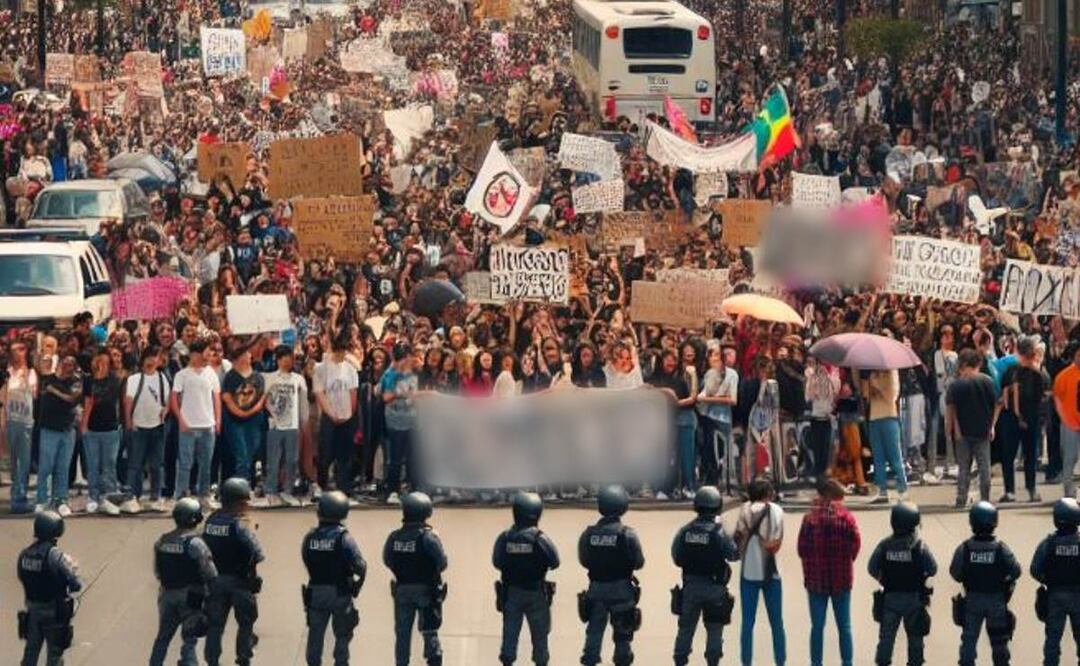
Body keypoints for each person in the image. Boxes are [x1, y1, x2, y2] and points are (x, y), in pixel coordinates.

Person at [670, 485, 739, 666]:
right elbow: (733, 555)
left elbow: (676, 558)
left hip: (691, 588)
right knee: (715, 631)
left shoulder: (684, 531)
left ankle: (680, 660)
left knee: (685, 630)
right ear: (718, 506)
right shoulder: (720, 532)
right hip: (715, 588)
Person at [578, 484, 645, 666]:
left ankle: (590, 660)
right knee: (623, 636)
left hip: (596, 590)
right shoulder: (627, 534)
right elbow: (639, 563)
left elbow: (584, 560)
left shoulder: (588, 534)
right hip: (622, 591)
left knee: (593, 633)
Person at [797, 478, 860, 666]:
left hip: (816, 581)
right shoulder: (847, 517)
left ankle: (816, 663)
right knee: (845, 627)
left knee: (817, 627)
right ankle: (847, 662)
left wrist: (811, 565)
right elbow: (855, 545)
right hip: (842, 579)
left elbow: (801, 549)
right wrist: (845, 561)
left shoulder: (809, 518)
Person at [492, 491, 560, 666]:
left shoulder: (504, 537)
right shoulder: (540, 538)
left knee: (510, 634)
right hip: (535, 593)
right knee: (540, 637)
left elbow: (497, 562)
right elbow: (555, 562)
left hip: (512, 593)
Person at [202, 477, 265, 666]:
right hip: (239, 582)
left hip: (214, 581)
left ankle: (212, 660)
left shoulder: (210, 521)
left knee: (215, 625)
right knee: (245, 622)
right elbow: (257, 553)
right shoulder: (239, 526)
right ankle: (243, 656)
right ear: (238, 502)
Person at [949, 501, 1021, 666]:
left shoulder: (965, 549)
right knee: (999, 642)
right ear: (994, 522)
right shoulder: (1001, 548)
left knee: (969, 640)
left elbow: (955, 573)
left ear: (972, 522)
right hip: (996, 601)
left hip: (972, 600)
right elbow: (1016, 571)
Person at [149, 497, 218, 666]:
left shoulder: (162, 541)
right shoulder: (195, 544)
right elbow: (210, 573)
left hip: (166, 595)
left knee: (163, 638)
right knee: (190, 638)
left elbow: (158, 571)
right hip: (191, 596)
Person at [302, 490, 367, 666]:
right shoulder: (344, 538)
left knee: (315, 634)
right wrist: (356, 586)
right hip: (340, 592)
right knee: (343, 634)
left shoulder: (310, 537)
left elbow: (306, 559)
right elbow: (360, 566)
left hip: (315, 592)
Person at [867, 502, 937, 666]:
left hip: (890, 598)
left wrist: (882, 578)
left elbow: (872, 568)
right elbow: (933, 568)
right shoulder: (920, 546)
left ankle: (883, 662)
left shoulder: (884, 545)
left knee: (886, 637)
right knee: (915, 637)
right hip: (913, 599)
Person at [383, 491, 448, 666]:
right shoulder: (429, 537)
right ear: (426, 511)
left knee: (402, 634)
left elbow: (387, 560)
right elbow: (442, 563)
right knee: (429, 630)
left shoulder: (394, 537)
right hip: (426, 591)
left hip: (402, 590)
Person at [17, 511, 82, 666]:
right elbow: (74, 582)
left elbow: (22, 576)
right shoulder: (54, 555)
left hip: (33, 610)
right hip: (54, 612)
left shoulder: (25, 554)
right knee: (54, 655)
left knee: (30, 652)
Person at [734, 476, 786, 666]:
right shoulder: (777, 511)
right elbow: (778, 539)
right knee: (777, 623)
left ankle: (746, 662)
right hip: (772, 573)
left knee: (748, 623)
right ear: (768, 494)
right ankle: (780, 661)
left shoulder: (744, 510)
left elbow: (738, 537)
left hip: (749, 571)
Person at [170, 339, 222, 508]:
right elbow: (174, 399)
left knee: (206, 464)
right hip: (188, 426)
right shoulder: (182, 375)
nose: (209, 356)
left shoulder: (211, 373)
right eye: (206, 352)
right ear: (195, 354)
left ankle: (204, 495)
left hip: (208, 425)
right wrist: (181, 420)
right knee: (185, 463)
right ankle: (181, 496)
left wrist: (217, 420)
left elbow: (216, 397)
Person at [945, 348, 1000, 507]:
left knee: (964, 467)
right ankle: (985, 499)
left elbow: (951, 409)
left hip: (962, 432)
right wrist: (992, 426)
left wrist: (951, 429)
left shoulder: (955, 385)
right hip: (983, 431)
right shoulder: (987, 381)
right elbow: (997, 404)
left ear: (963, 365)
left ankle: (961, 498)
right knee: (984, 467)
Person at [1030, 498, 1080, 666]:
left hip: (1055, 595)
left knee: (1052, 639)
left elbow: (1035, 569)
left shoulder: (1049, 543)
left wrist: (1048, 580)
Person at [125, 346, 171, 513]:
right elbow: (128, 401)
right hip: (139, 425)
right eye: (150, 357)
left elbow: (168, 399)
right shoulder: (134, 379)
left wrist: (165, 411)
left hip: (157, 425)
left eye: (156, 357)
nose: (152, 361)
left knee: (157, 464)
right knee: (135, 464)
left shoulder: (162, 378)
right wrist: (129, 420)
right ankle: (133, 496)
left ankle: (156, 495)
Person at [1000, 335, 1046, 503]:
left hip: (1011, 418)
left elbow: (1003, 396)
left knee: (1010, 455)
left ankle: (1011, 491)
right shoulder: (1037, 374)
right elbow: (1042, 399)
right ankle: (1031, 489)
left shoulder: (1011, 371)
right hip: (1030, 418)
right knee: (1029, 455)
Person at [313, 334, 359, 498]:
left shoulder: (350, 369)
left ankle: (343, 486)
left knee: (344, 454)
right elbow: (319, 393)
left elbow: (353, 393)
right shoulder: (321, 368)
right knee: (325, 453)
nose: (340, 354)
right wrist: (331, 414)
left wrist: (349, 414)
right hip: (329, 416)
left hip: (346, 416)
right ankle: (321, 484)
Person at [36, 355, 82, 516]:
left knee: (63, 467)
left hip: (67, 429)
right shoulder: (47, 379)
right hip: (48, 428)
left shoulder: (76, 382)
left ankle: (61, 500)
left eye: (71, 364)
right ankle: (42, 500)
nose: (68, 367)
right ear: (60, 364)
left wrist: (54, 391)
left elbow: (71, 399)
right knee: (46, 467)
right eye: (65, 363)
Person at [80, 348, 124, 516]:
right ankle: (93, 496)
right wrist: (83, 425)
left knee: (109, 465)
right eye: (99, 362)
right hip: (92, 428)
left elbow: (112, 400)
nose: (102, 365)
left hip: (110, 428)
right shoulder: (88, 380)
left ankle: (109, 497)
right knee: (93, 465)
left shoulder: (115, 380)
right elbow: (88, 402)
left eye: (105, 362)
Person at [264, 345, 308, 507]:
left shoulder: (298, 379)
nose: (288, 361)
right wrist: (272, 413)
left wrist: (304, 422)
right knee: (274, 459)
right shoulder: (269, 378)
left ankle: (287, 490)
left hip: (293, 424)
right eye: (284, 358)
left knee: (291, 459)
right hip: (275, 424)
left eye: (290, 358)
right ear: (278, 359)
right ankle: (271, 491)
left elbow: (303, 402)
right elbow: (264, 399)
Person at [2, 337, 38, 514]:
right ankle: (16, 493)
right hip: (9, 420)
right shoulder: (6, 372)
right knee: (12, 461)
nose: (20, 352)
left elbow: (34, 392)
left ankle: (20, 495)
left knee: (23, 460)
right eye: (17, 349)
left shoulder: (31, 372)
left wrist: (24, 379)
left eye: (23, 349)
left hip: (25, 422)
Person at [862, 368, 908, 503]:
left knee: (894, 456)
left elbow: (892, 396)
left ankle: (902, 488)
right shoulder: (872, 374)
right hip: (874, 418)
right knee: (878, 458)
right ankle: (881, 490)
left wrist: (877, 385)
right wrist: (867, 383)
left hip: (889, 417)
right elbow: (866, 396)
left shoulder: (892, 372)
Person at [221, 346, 266, 483]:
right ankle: (242, 486)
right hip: (235, 421)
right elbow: (227, 398)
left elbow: (262, 396)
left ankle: (249, 484)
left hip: (254, 421)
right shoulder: (230, 376)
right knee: (242, 456)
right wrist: (240, 413)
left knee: (252, 452)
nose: (248, 355)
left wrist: (252, 412)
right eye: (245, 353)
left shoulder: (258, 376)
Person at [382, 342, 420, 504]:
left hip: (411, 419)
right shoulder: (391, 374)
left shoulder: (412, 375)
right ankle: (392, 490)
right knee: (395, 457)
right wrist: (403, 392)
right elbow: (386, 397)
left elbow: (414, 395)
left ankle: (414, 489)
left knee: (412, 456)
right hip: (395, 420)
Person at [1052, 341, 1080, 500]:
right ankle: (1069, 494)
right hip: (1070, 424)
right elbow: (1057, 397)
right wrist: (1063, 418)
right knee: (1070, 459)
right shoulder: (1064, 376)